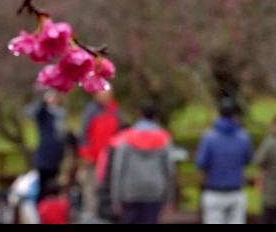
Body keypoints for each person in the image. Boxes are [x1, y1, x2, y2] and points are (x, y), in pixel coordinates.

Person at [102, 103, 179, 224]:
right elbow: (170, 171)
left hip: (130, 191)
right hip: (154, 191)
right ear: (155, 117)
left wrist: (115, 200)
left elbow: (118, 170)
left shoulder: (126, 138)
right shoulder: (164, 138)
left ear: (139, 115)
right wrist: (169, 199)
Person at [194, 97, 253, 224]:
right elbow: (247, 160)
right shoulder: (244, 137)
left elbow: (201, 163)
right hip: (236, 192)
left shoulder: (208, 138)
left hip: (213, 192)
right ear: (235, 115)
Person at [76, 88, 122, 223]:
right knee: (91, 187)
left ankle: (106, 214)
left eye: (107, 95)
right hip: (93, 157)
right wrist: (85, 154)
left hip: (110, 157)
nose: (105, 98)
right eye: (102, 95)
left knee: (108, 186)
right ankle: (91, 215)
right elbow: (83, 134)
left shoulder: (115, 111)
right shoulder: (90, 111)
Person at [25, 88, 70, 200]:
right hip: (44, 156)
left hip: (57, 157)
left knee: (54, 186)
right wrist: (42, 100)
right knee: (43, 186)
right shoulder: (44, 113)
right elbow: (33, 112)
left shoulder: (60, 114)